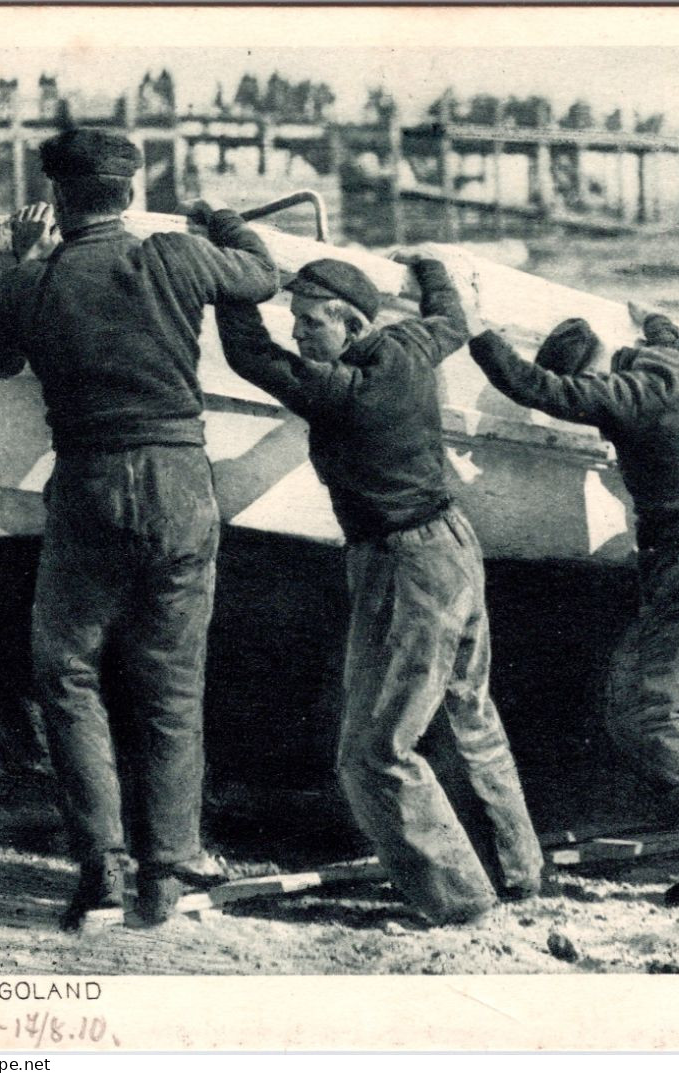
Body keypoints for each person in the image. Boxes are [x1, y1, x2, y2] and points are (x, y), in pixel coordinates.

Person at [0, 130, 281, 928]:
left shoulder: (35, 280)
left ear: (60, 198)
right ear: (131, 193)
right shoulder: (175, 256)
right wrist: (224, 220)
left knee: (67, 670)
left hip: (89, 486)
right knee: (172, 681)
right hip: (180, 481)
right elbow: (262, 276)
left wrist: (21, 264)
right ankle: (170, 872)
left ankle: (103, 870)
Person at [214, 254, 543, 926]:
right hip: (452, 547)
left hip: (404, 566)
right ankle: (518, 871)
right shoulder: (405, 347)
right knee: (469, 714)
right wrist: (432, 267)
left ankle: (459, 903)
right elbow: (450, 319)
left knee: (371, 753)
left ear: (351, 322)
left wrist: (230, 271)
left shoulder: (344, 388)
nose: (298, 334)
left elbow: (249, 354)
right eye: (294, 320)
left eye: (309, 323)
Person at [467, 310, 679, 906]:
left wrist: (473, 327)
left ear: (589, 374)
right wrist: (651, 317)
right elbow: (671, 331)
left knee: (638, 707)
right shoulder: (678, 362)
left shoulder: (629, 394)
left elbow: (533, 387)